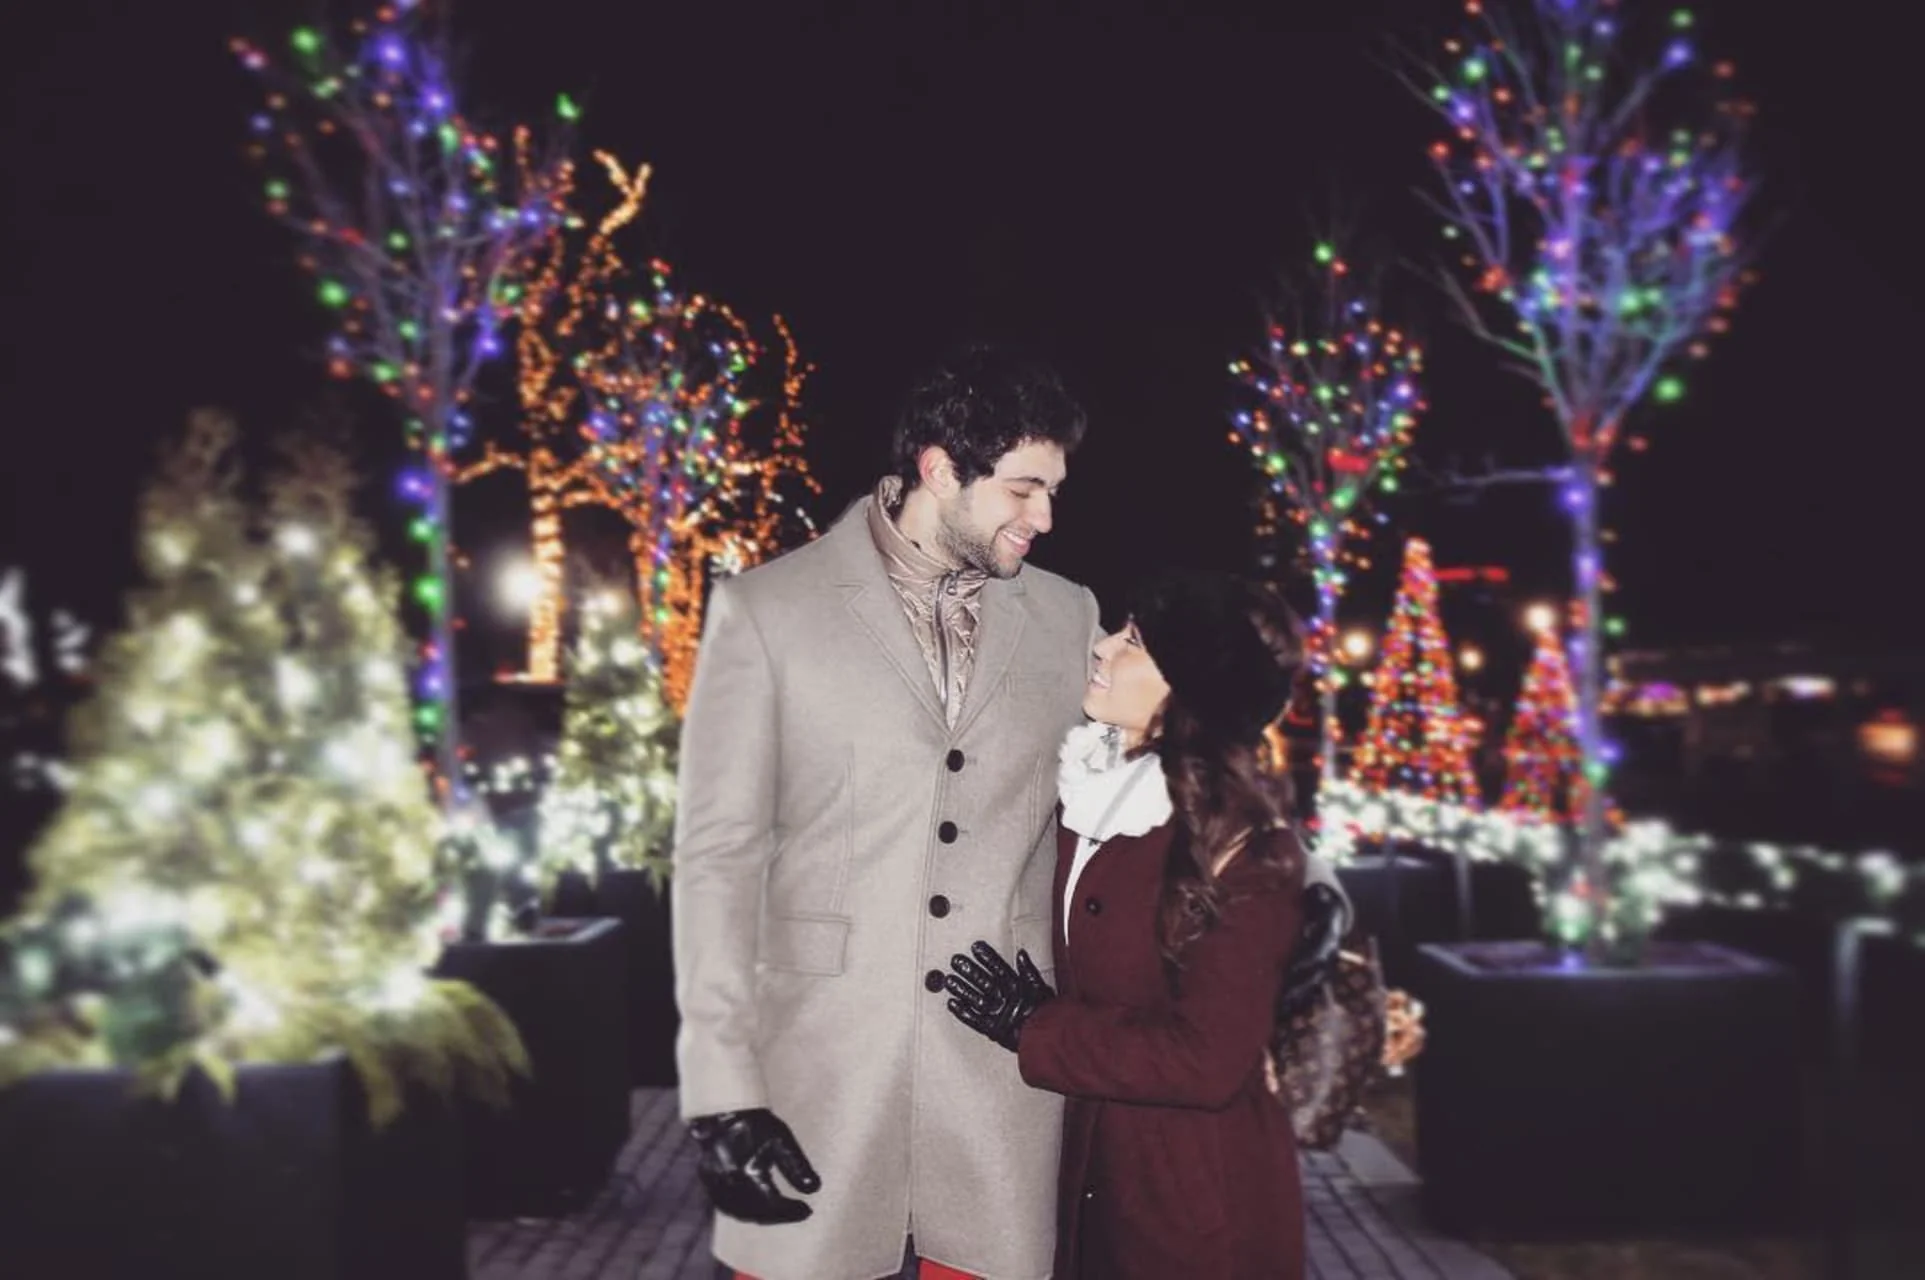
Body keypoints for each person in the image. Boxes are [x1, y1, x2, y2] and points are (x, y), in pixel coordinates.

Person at [673, 344, 1102, 1280]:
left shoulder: (1070, 618)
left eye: (1053, 491)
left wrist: (1300, 882)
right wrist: (719, 1091)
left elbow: (1174, 761)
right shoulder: (766, 611)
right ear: (940, 470)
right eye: (1024, 489)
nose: (1045, 517)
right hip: (817, 1069)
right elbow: (716, 858)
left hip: (997, 1070)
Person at [941, 570, 1316, 1279]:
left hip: (1194, 1212)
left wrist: (1034, 1026)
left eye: (1134, 641)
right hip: (1097, 1189)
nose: (1103, 647)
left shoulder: (1242, 847)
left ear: (1187, 688)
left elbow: (1207, 1060)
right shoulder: (1093, 794)